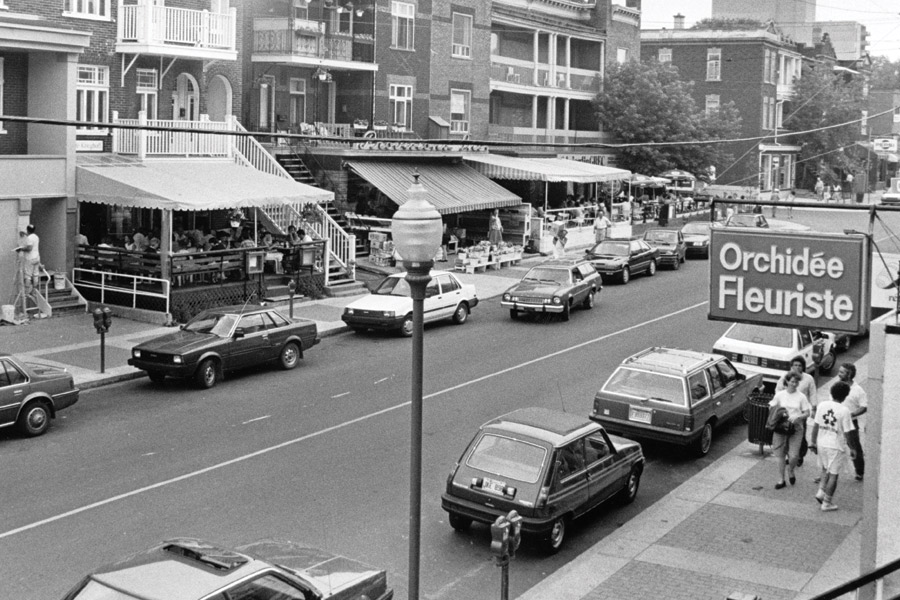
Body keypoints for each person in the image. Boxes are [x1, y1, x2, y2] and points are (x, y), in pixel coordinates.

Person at [810, 381, 856, 511]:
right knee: (834, 474)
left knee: (825, 469)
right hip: (835, 446)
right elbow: (847, 433)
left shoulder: (822, 405)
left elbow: (816, 425)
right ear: (845, 396)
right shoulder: (844, 410)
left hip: (821, 442)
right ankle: (827, 502)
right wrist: (852, 448)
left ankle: (821, 492)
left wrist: (812, 442)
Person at [769, 372, 812, 489]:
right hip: (781, 427)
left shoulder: (801, 397)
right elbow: (772, 407)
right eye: (792, 381)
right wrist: (778, 412)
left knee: (794, 455)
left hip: (796, 428)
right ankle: (781, 479)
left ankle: (791, 470)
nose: (794, 384)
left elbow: (807, 413)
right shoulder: (780, 395)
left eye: (796, 382)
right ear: (787, 381)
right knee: (780, 454)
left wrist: (798, 417)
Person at [775, 355, 818, 465]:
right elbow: (778, 389)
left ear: (803, 367)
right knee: (787, 433)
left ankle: (799, 455)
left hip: (800, 413)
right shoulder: (785, 377)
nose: (797, 367)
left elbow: (812, 394)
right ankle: (789, 455)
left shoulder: (808, 379)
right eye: (795, 365)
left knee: (800, 435)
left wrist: (813, 407)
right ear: (791, 366)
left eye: (800, 365)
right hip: (787, 412)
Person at [837, 363, 867, 480]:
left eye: (842, 372)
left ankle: (859, 471)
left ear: (849, 375)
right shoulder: (837, 386)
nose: (839, 374)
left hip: (850, 423)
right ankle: (826, 472)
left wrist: (852, 414)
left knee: (854, 446)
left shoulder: (858, 390)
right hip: (836, 421)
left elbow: (864, 406)